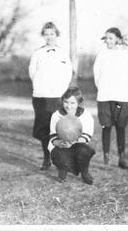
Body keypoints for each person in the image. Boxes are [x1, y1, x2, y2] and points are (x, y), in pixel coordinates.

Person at [29, 22, 72, 170]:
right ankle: (46, 158)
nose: (49, 37)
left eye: (52, 34)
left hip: (57, 96)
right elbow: (32, 72)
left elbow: (68, 73)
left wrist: (61, 90)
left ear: (56, 35)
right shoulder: (37, 53)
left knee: (58, 128)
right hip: (41, 95)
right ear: (43, 36)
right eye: (46, 34)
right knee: (43, 128)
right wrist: (40, 86)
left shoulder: (62, 53)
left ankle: (60, 159)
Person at [93, 27, 128, 169]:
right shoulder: (101, 55)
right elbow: (97, 75)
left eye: (111, 38)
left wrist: (123, 91)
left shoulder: (125, 55)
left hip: (122, 96)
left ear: (117, 39)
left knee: (121, 127)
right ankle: (106, 157)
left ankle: (122, 158)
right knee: (106, 126)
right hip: (105, 96)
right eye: (106, 38)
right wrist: (104, 89)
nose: (108, 41)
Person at [49, 87, 95, 184]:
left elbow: (87, 136)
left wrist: (73, 142)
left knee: (85, 151)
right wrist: (60, 143)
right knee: (58, 154)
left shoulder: (85, 115)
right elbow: (53, 136)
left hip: (78, 144)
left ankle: (84, 172)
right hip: (62, 145)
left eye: (72, 103)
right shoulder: (56, 115)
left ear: (78, 103)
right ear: (62, 101)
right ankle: (63, 169)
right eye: (66, 102)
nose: (69, 106)